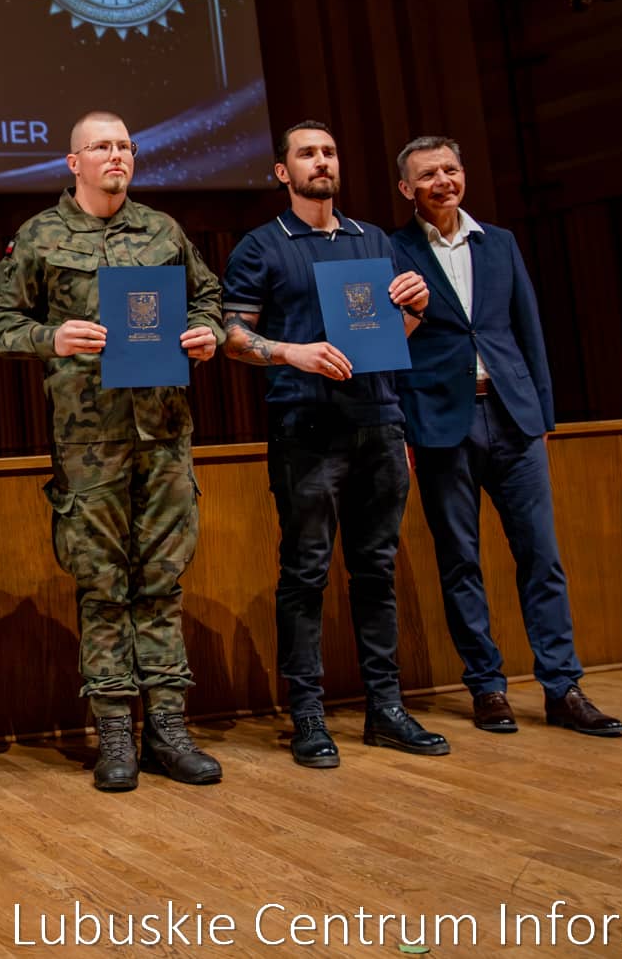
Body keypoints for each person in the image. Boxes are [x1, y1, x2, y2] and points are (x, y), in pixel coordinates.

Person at [0, 110, 226, 791]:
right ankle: (115, 729)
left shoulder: (162, 231)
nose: (115, 155)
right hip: (90, 442)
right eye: (100, 147)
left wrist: (204, 332)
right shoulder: (42, 236)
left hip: (165, 433)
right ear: (73, 162)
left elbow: (208, 297)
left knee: (163, 578)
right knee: (103, 583)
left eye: (123, 146)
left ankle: (169, 728)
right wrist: (49, 338)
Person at [220, 120, 443, 769]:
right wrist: (293, 351)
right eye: (306, 153)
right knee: (306, 572)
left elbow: (390, 333)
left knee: (375, 571)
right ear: (283, 172)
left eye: (329, 151)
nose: (321, 161)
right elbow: (232, 334)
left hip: (379, 420)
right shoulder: (263, 245)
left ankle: (386, 708)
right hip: (307, 430)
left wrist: (418, 306)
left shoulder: (371, 238)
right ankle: (309, 716)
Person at [390, 136, 622, 737]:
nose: (444, 180)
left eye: (451, 168)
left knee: (541, 556)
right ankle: (487, 687)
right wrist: (406, 429)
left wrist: (542, 416)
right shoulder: (392, 251)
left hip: (514, 416)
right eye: (429, 174)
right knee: (460, 560)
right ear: (406, 188)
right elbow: (389, 347)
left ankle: (562, 686)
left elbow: (529, 330)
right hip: (443, 422)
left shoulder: (502, 243)